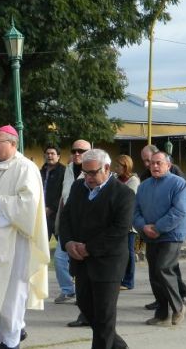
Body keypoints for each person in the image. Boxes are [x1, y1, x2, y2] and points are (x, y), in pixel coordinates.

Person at [0, 125, 49, 349]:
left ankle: (12, 341)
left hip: (15, 243)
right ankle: (7, 336)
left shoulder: (25, 168)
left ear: (13, 143)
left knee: (11, 294)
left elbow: (29, 205)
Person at [59, 149, 134, 349]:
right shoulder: (78, 187)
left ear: (107, 168)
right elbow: (66, 217)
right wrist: (68, 242)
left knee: (104, 315)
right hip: (81, 261)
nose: (88, 177)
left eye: (93, 172)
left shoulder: (123, 193)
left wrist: (89, 248)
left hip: (108, 263)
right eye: (85, 172)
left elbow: (119, 230)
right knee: (86, 307)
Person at [134, 150, 186, 327]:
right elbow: (135, 211)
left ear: (168, 165)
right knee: (154, 274)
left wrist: (158, 228)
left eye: (159, 163)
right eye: (152, 163)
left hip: (171, 235)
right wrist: (143, 226)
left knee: (164, 268)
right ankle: (162, 313)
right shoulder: (143, 186)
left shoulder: (178, 183)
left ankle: (178, 307)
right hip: (150, 236)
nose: (155, 166)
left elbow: (179, 211)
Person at [55, 140, 91, 308]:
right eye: (74, 150)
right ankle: (68, 290)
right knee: (59, 258)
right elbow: (64, 196)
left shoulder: (94, 170)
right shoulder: (68, 169)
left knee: (83, 261)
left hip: (85, 223)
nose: (77, 153)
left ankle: (85, 294)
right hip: (67, 220)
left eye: (81, 151)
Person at [116, 154, 140, 291]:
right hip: (116, 221)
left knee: (129, 251)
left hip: (129, 222)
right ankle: (118, 278)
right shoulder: (115, 179)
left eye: (118, 165)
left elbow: (128, 198)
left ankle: (128, 281)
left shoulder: (133, 180)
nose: (116, 168)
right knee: (118, 252)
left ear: (126, 166)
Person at [41, 145, 66, 241]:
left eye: (52, 153)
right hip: (42, 213)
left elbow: (64, 192)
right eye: (47, 153)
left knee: (62, 243)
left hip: (58, 214)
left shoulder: (64, 171)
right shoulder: (41, 171)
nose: (49, 156)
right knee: (41, 244)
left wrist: (51, 208)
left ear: (58, 156)